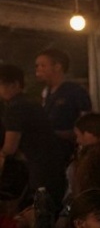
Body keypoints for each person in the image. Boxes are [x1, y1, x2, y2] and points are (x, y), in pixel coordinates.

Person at [0, 64, 66, 203]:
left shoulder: (16, 107)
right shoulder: (29, 102)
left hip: (40, 169)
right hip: (51, 164)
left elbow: (9, 148)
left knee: (41, 212)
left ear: (14, 84)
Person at [35, 48, 92, 163]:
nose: (38, 69)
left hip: (69, 154)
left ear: (57, 66)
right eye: (37, 66)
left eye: (42, 65)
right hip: (48, 153)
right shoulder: (45, 92)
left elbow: (87, 126)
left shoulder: (75, 91)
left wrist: (55, 133)